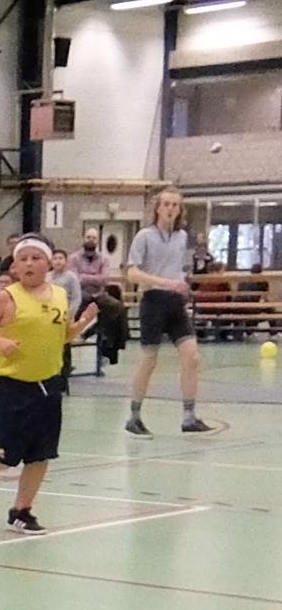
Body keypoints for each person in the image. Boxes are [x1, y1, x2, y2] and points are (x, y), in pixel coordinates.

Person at [0, 236, 97, 536]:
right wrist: (0, 343)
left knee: (40, 453)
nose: (29, 264)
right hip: (13, 387)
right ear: (15, 265)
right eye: (23, 259)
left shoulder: (59, 295)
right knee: (7, 454)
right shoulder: (5, 298)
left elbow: (63, 336)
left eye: (36, 258)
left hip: (48, 384)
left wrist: (83, 323)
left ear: (48, 263)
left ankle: (21, 511)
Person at [124, 186, 210, 435]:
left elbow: (182, 268)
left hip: (175, 303)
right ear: (158, 208)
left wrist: (182, 283)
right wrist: (164, 282)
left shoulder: (183, 237)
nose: (171, 209)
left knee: (192, 357)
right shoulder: (144, 236)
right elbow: (132, 272)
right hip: (153, 301)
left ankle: (189, 417)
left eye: (175, 205)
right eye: (166, 204)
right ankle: (134, 416)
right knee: (149, 359)